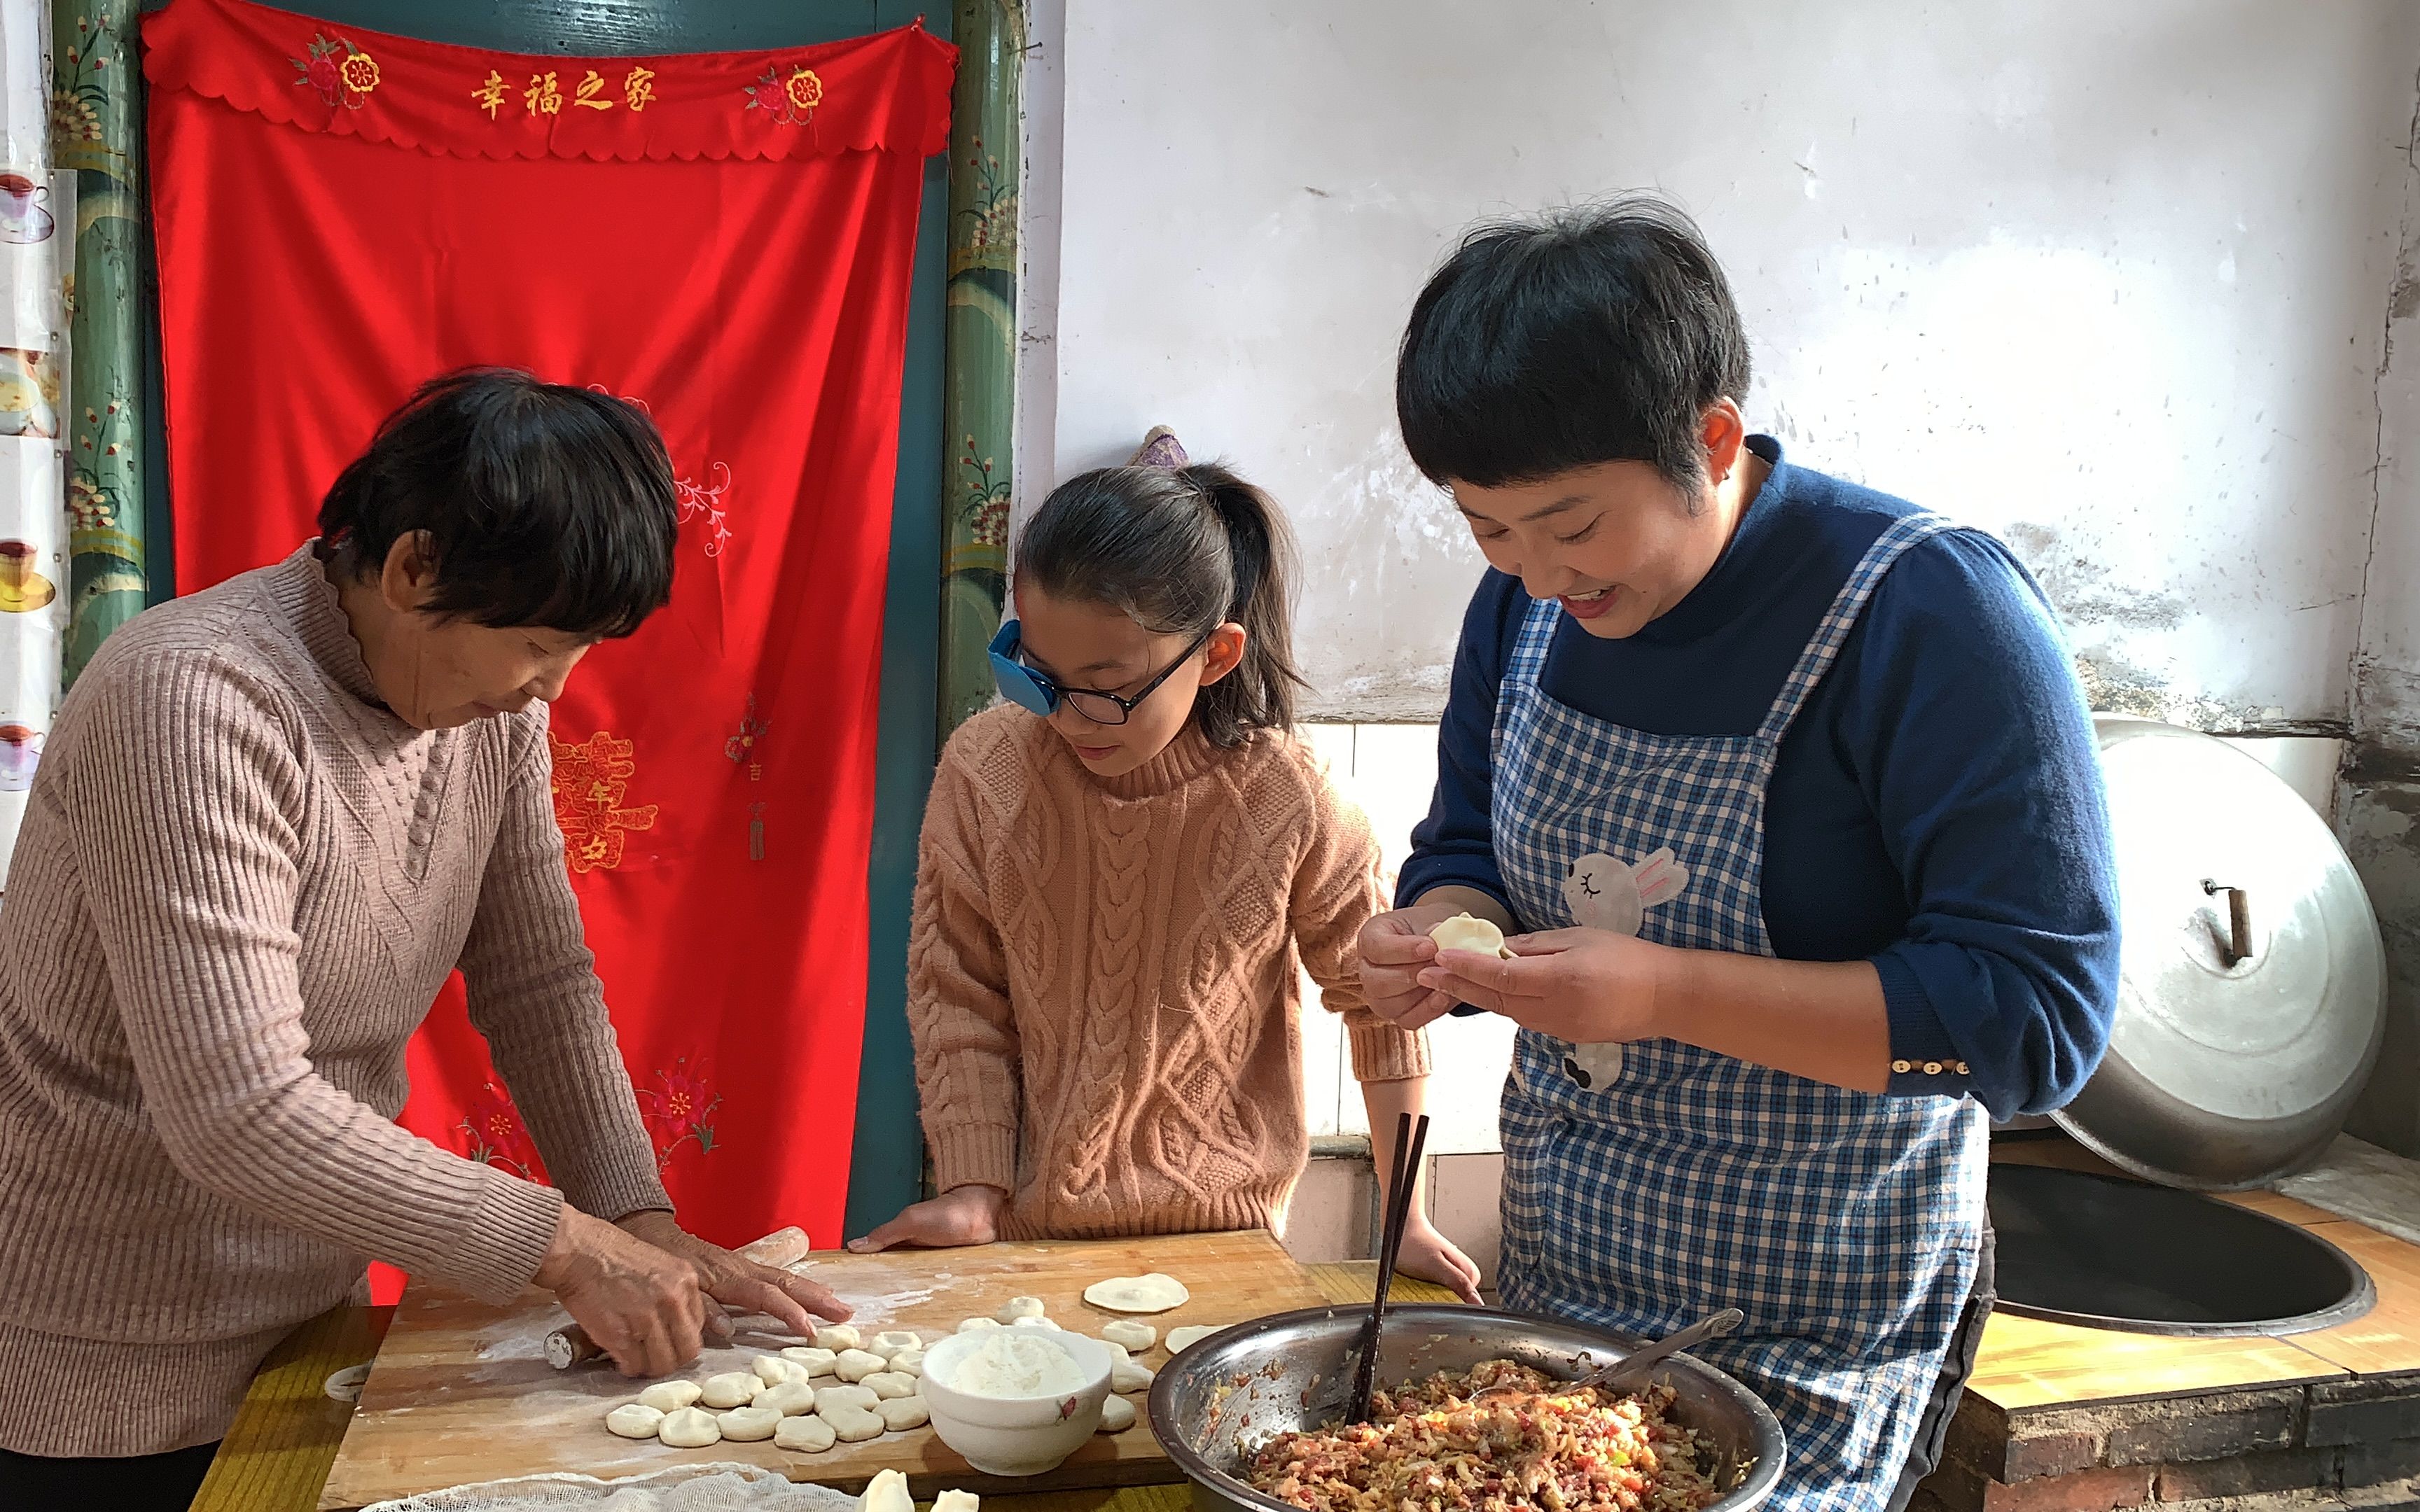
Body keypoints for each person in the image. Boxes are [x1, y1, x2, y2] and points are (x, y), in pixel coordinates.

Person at [1357, 200, 2121, 1512]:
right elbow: (1468, 841)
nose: (1537, 577)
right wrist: (1432, 930)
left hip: (1815, 1338)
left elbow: (2036, 1022)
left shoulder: (1927, 615)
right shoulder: (1525, 610)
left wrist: (1662, 994)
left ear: (1711, 441)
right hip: (1557, 1298)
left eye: (1572, 524)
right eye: (1487, 528)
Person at [0, 370, 847, 1509]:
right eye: (542, 642)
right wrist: (565, 1245)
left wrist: (639, 1220)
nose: (554, 686)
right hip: (98, 1368)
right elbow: (239, 1111)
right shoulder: (194, 702)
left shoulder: (489, 722)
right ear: (412, 569)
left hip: (309, 1329)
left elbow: (538, 982)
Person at [851, 447, 1482, 1303]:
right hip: (1031, 1241)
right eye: (1036, 675)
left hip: (1231, 1244)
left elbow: (1377, 1000)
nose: (1067, 717)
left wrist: (1403, 1216)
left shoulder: (1289, 796)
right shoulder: (985, 771)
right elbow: (957, 992)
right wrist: (973, 1189)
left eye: (1104, 687)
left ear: (1216, 656)